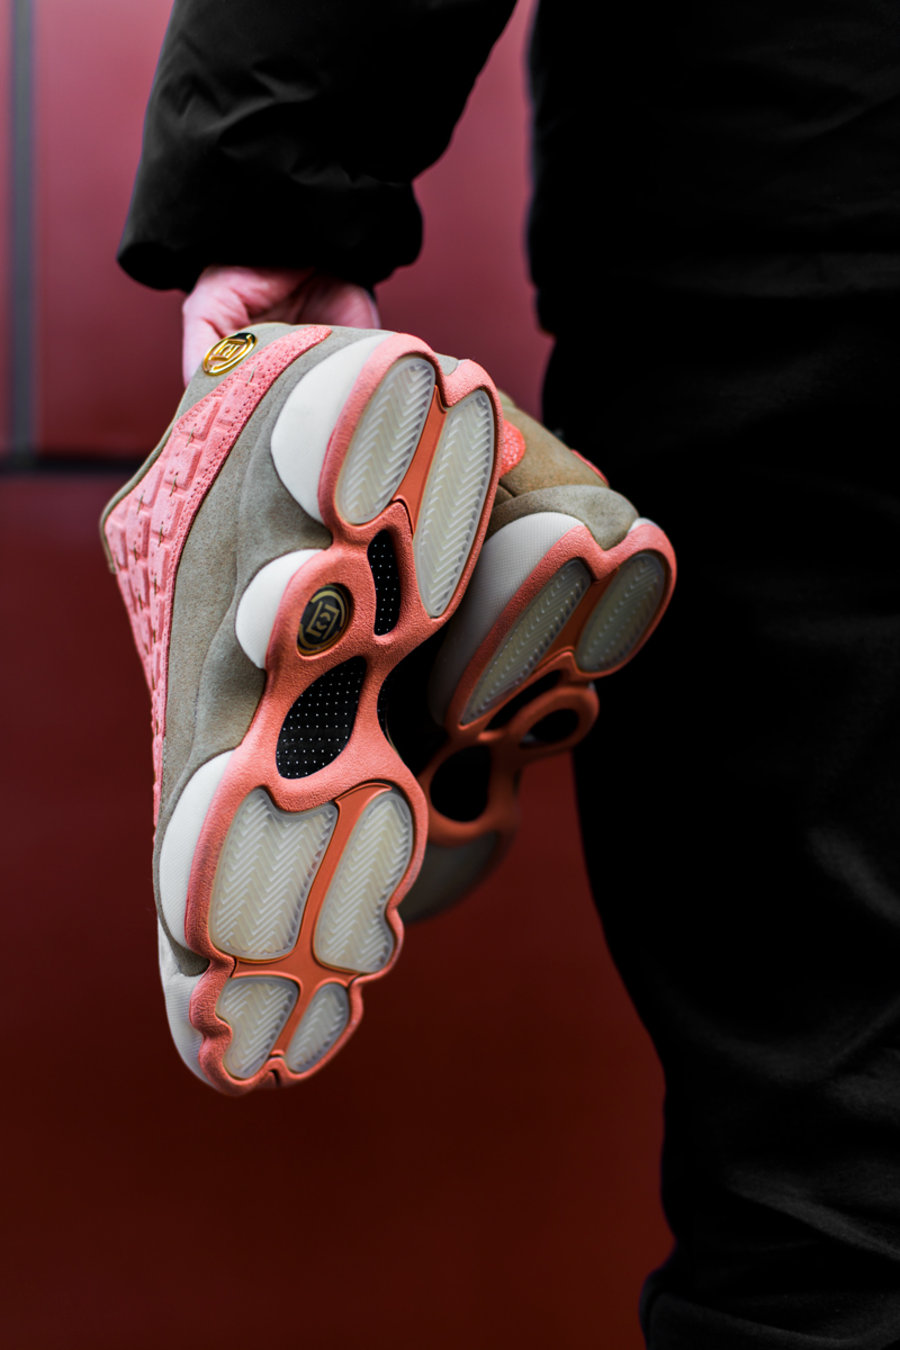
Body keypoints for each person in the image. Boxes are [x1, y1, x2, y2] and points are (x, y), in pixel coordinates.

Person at [114, 1, 900, 1345]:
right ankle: (430, 626)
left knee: (838, 1185)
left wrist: (272, 189)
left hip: (794, 215)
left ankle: (310, 530)